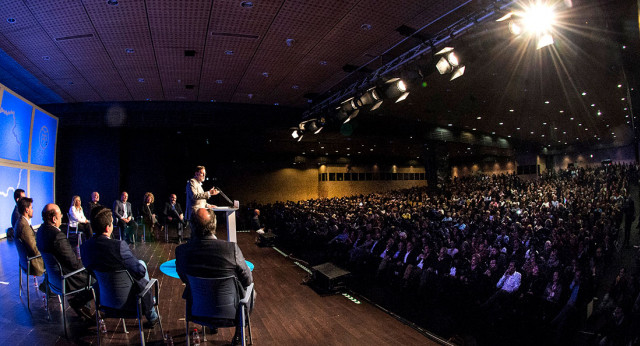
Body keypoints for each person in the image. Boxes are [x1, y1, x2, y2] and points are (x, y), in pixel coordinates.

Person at [176, 208, 254, 345]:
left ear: (192, 226)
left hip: (197, 312)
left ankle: (212, 325)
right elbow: (248, 280)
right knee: (251, 291)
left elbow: (184, 278)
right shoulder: (231, 249)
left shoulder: (181, 251)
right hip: (231, 315)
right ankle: (239, 334)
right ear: (214, 224)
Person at [80, 206, 159, 328]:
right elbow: (140, 272)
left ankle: (151, 312)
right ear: (108, 227)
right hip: (129, 304)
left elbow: (90, 271)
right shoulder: (119, 246)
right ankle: (151, 314)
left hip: (104, 301)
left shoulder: (85, 247)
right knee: (141, 264)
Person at [36, 203, 93, 320]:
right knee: (97, 278)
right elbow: (74, 264)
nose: (62, 216)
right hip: (65, 280)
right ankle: (80, 305)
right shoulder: (57, 236)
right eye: (60, 214)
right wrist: (88, 265)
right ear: (54, 218)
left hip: (53, 279)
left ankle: (83, 310)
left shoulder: (41, 231)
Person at [13, 197, 44, 277]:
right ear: (27, 210)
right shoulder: (24, 227)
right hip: (33, 263)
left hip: (24, 262)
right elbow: (34, 249)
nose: (32, 210)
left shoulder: (20, 222)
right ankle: (50, 287)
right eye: (31, 208)